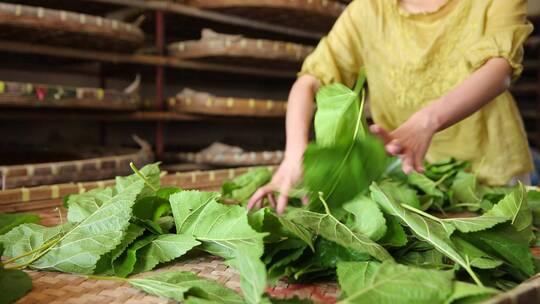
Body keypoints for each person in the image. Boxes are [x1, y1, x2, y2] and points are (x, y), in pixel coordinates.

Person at [248, 0, 534, 214]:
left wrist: (426, 122)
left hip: (490, 170)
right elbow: (310, 81)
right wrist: (296, 154)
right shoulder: (369, 9)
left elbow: (501, 68)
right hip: (410, 174)